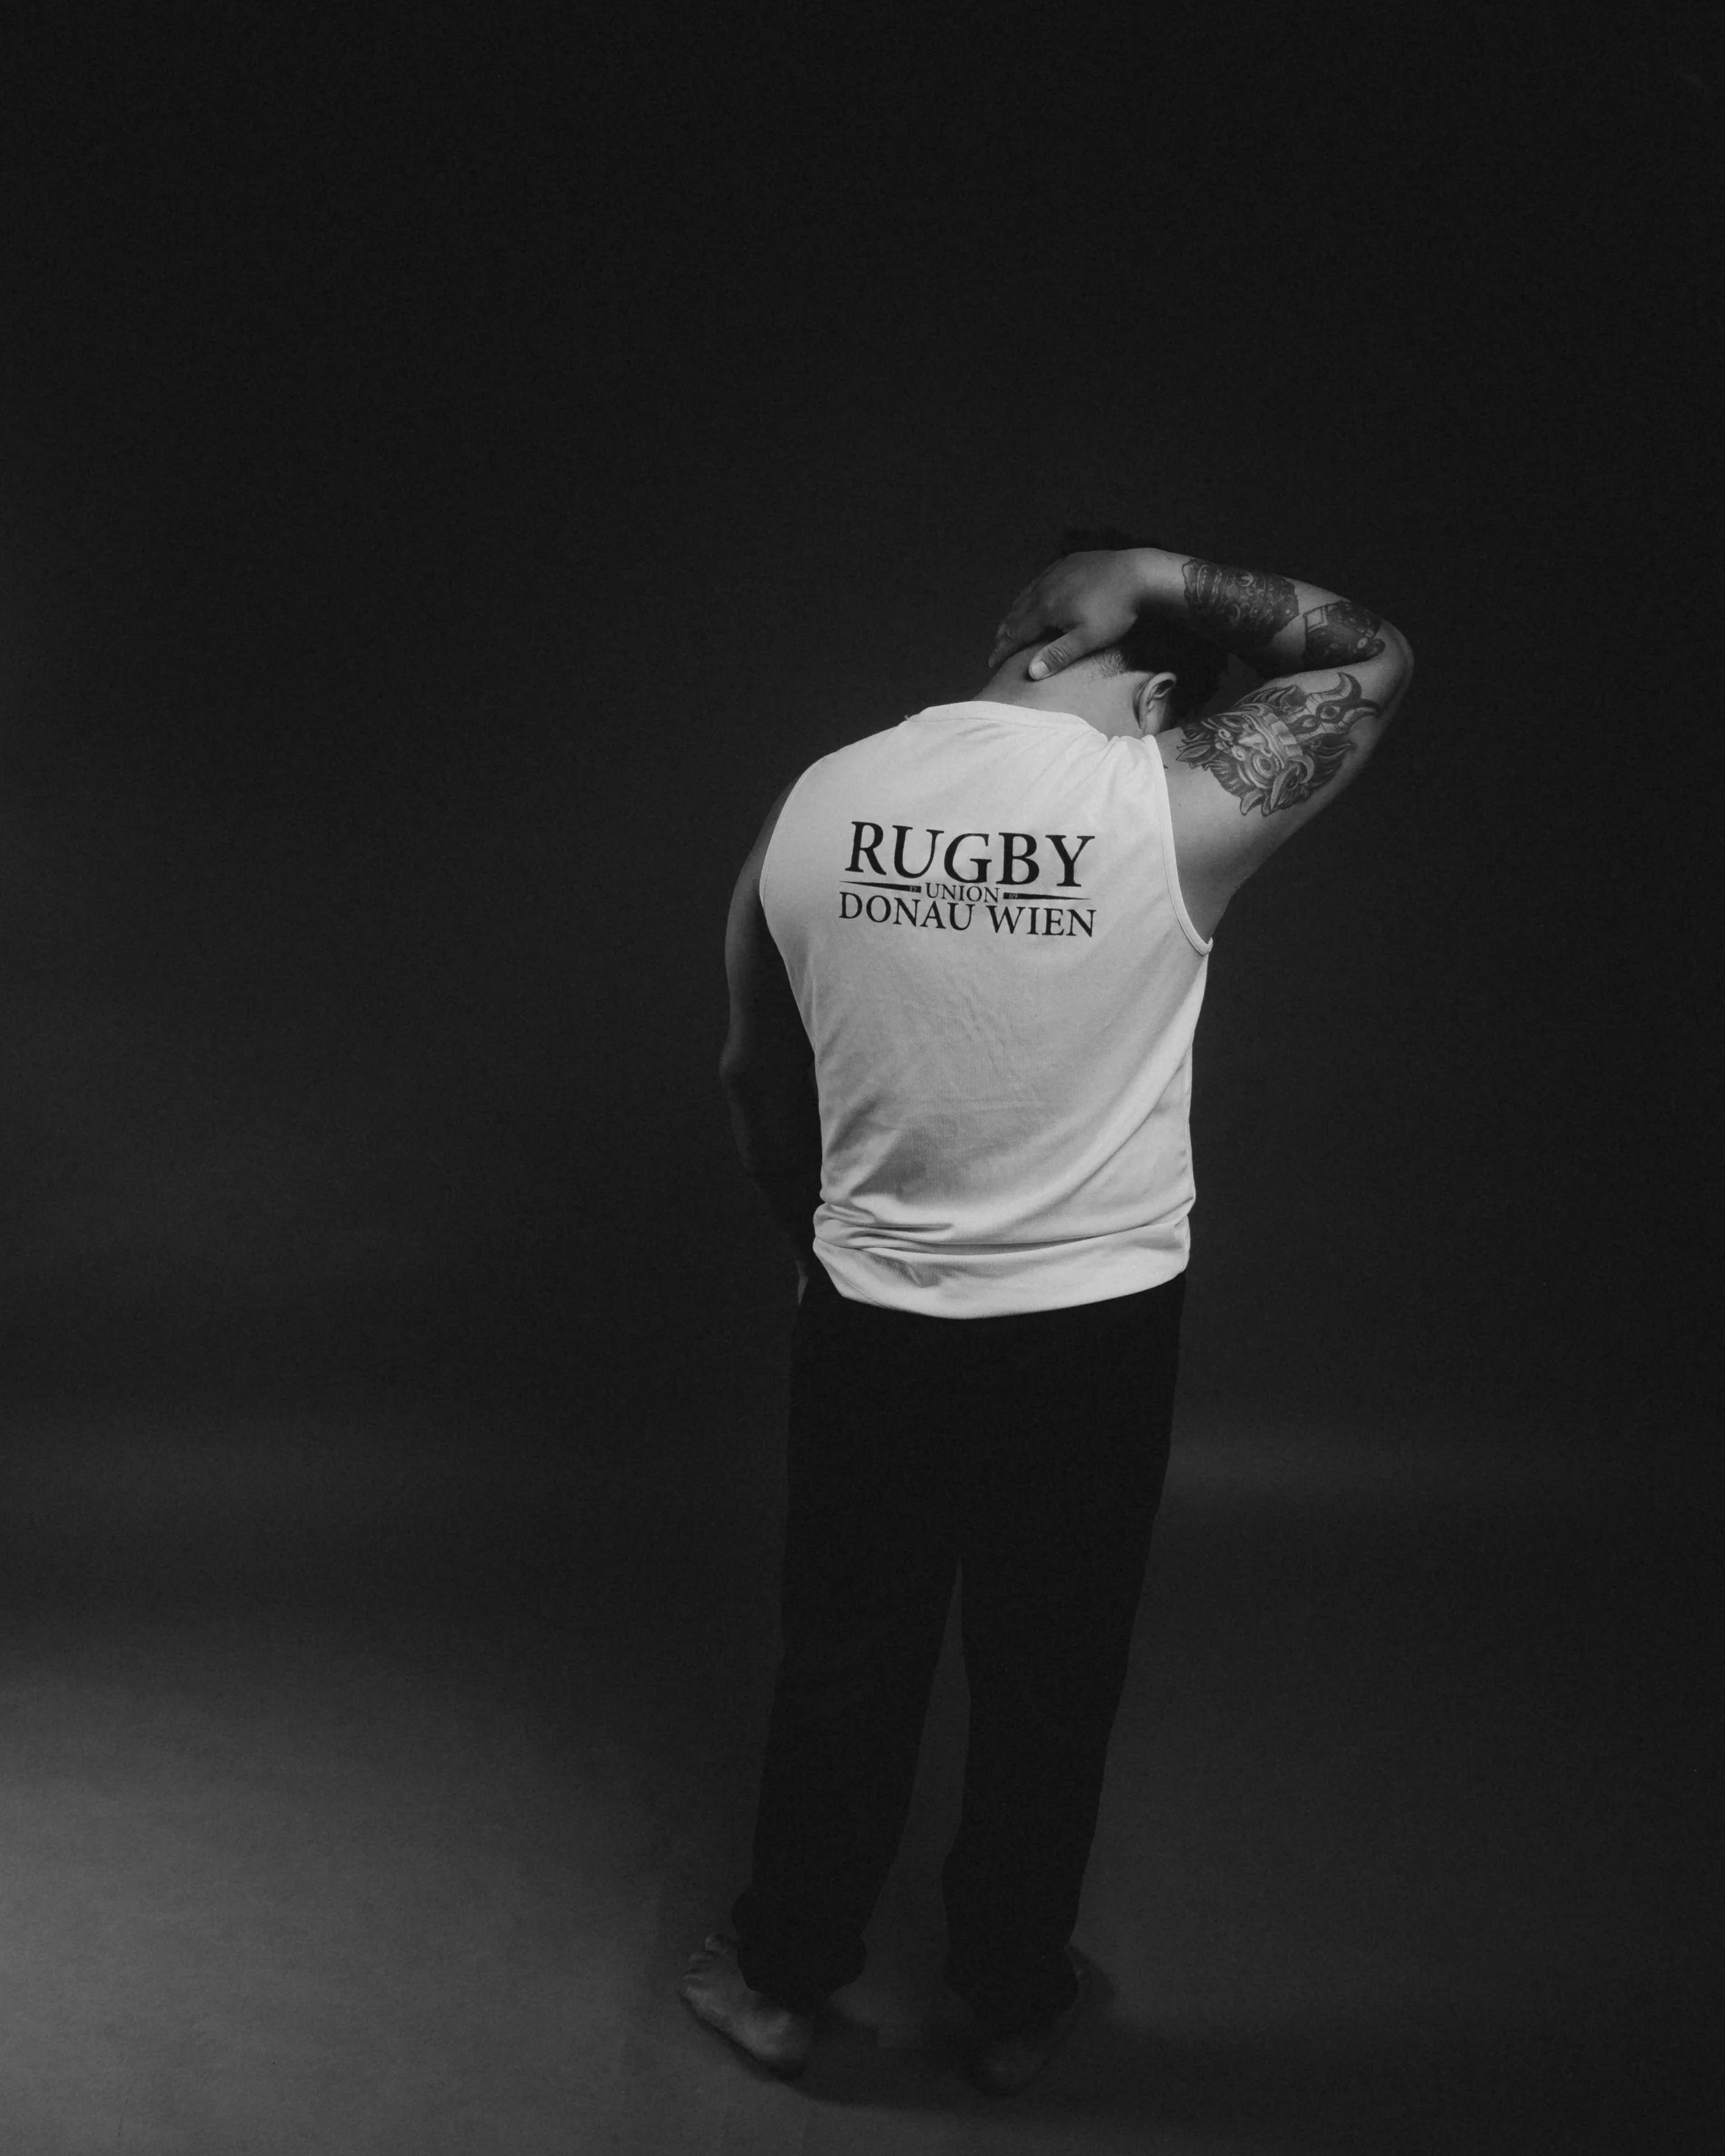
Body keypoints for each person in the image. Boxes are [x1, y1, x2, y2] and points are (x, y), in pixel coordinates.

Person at [679, 531, 1415, 2094]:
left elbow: (753, 1076)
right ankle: (1011, 2002)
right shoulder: (1165, 802)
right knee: (1051, 1674)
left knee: (843, 1660)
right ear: (1156, 693)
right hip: (1091, 1332)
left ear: (1014, 648)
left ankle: (779, 1980)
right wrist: (1146, 565)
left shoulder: (817, 796)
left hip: (874, 1312)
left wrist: (817, 1245)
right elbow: (1373, 654)